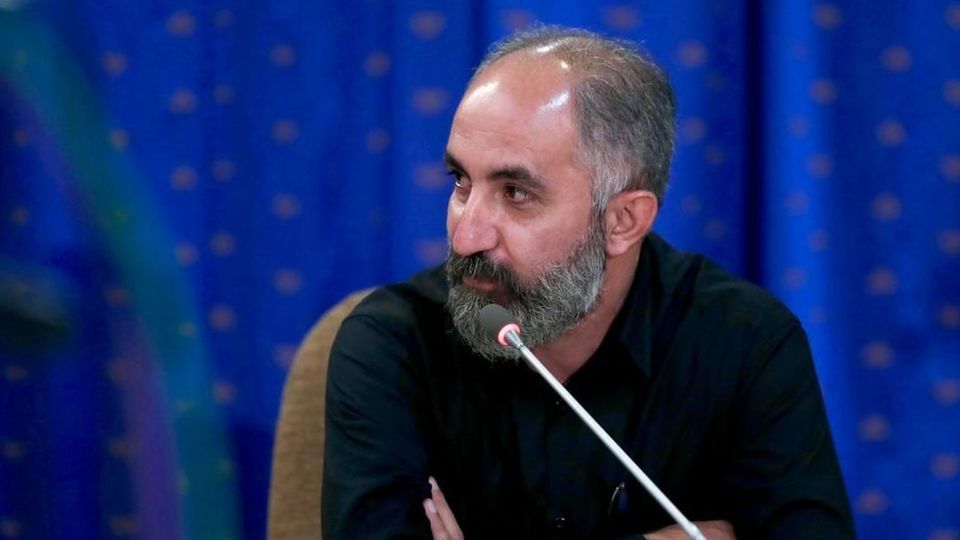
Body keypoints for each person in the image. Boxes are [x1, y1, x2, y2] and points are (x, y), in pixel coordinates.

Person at [321, 26, 854, 539]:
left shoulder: (746, 344)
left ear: (622, 221)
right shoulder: (392, 344)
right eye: (461, 182)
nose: (465, 238)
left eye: (516, 193)